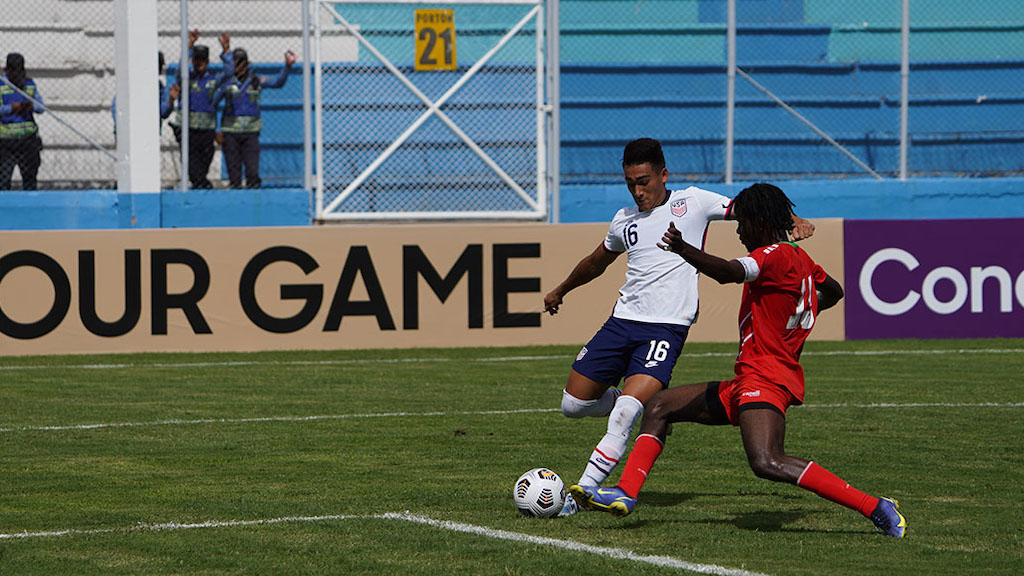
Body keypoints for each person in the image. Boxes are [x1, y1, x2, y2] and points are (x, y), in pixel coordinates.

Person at [571, 183, 907, 538]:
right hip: (749, 379)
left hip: (765, 379)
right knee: (659, 406)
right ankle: (625, 492)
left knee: (767, 461)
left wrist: (683, 248)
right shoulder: (801, 258)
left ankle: (874, 506)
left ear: (761, 222)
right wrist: (804, 311)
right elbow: (834, 291)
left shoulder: (773, 254)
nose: (738, 230)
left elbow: (729, 272)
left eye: (742, 223)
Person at [543, 138, 815, 517]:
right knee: (573, 405)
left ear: (663, 174)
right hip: (621, 322)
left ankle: (583, 492)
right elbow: (596, 261)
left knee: (624, 412)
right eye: (630, 183)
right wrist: (561, 289)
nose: (638, 191)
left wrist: (793, 221)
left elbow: (752, 210)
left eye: (644, 181)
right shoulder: (624, 220)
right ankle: (630, 399)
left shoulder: (693, 202)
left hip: (665, 329)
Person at [213, 33, 295, 188]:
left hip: (251, 132)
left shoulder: (256, 81)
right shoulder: (227, 83)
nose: (239, 67)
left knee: (252, 171)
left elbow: (278, 82)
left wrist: (287, 67)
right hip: (230, 132)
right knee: (234, 172)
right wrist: (217, 129)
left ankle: (253, 199)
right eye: (235, 63)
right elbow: (214, 104)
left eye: (241, 63)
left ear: (247, 63)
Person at [168, 29, 229, 189]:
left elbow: (229, 71)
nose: (199, 63)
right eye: (196, 59)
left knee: (205, 163)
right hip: (189, 129)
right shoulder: (186, 78)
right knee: (192, 165)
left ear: (207, 61)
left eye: (203, 60)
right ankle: (202, 186)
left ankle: (201, 185)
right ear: (192, 60)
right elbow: (180, 68)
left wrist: (226, 50)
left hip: (207, 128)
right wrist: (190, 45)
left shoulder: (212, 79)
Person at [0, 53, 45, 190]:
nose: (17, 75)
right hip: (6, 140)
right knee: (3, 178)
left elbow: (41, 106)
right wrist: (12, 108)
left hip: (28, 139)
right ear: (7, 70)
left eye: (20, 71)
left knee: (30, 179)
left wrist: (31, 106)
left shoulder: (29, 84)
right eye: (14, 71)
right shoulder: (2, 85)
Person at [111, 51, 175, 138]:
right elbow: (117, 107)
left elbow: (162, 113)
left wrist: (171, 100)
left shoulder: (158, 87)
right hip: (129, 131)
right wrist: (123, 127)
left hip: (150, 132)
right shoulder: (130, 84)